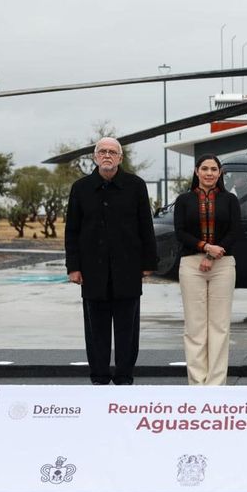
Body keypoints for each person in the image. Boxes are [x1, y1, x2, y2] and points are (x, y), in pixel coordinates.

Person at [65, 137, 157, 385]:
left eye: (112, 152)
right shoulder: (81, 188)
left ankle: (125, 376)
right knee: (97, 330)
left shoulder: (135, 186)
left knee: (128, 329)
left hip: (127, 269)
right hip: (92, 271)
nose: (107, 155)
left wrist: (149, 262)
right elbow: (72, 230)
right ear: (95, 157)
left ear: (120, 158)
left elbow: (145, 226)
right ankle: (99, 376)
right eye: (102, 151)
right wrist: (73, 267)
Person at [174, 154, 242, 385]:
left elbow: (235, 231)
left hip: (223, 264)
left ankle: (215, 384)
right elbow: (180, 232)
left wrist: (213, 254)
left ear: (220, 173)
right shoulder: (183, 200)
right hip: (191, 264)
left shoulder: (230, 199)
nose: (209, 173)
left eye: (214, 169)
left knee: (219, 326)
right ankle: (197, 383)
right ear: (196, 172)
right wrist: (205, 247)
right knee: (195, 326)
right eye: (205, 168)